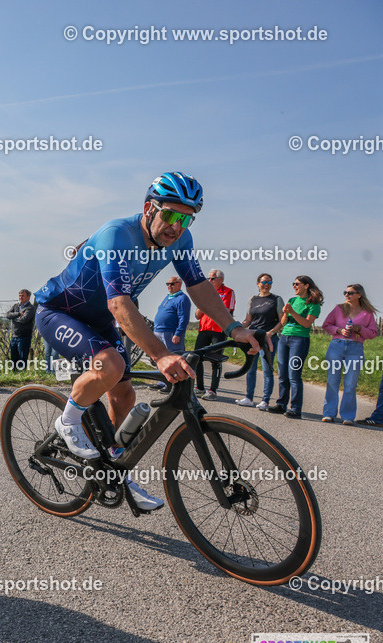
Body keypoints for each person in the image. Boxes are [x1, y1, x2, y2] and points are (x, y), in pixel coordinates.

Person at [35, 172, 263, 512]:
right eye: (169, 215)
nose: (176, 226)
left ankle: (115, 468)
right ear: (148, 209)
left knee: (125, 393)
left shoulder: (180, 240)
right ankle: (67, 421)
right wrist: (160, 355)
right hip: (59, 312)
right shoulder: (117, 234)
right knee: (110, 364)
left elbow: (199, 286)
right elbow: (119, 303)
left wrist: (233, 328)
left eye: (186, 219)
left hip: (99, 320)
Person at [321, 284, 378, 424]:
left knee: (350, 384)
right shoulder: (338, 309)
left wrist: (359, 329)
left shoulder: (367, 313)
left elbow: (373, 333)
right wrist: (339, 331)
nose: (347, 295)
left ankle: (347, 416)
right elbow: (326, 325)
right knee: (332, 381)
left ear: (359, 295)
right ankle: (329, 413)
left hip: (355, 348)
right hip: (336, 347)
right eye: (345, 292)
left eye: (350, 293)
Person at [268, 275, 323, 419]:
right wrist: (286, 314)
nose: (294, 286)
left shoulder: (313, 304)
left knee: (294, 375)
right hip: (284, 337)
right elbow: (284, 322)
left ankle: (296, 408)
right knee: (282, 374)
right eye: (293, 284)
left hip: (299, 340)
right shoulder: (292, 300)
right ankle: (281, 404)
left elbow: (306, 324)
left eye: (297, 284)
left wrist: (292, 312)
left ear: (306, 286)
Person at [236, 274, 284, 409]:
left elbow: (282, 321)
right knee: (251, 369)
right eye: (264, 282)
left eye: (269, 282)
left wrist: (271, 333)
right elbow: (248, 320)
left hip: (268, 338)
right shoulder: (253, 299)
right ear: (258, 283)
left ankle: (265, 400)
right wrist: (238, 327)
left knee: (267, 370)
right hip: (253, 337)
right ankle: (249, 398)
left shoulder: (276, 299)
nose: (267, 284)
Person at [193, 269, 235, 400]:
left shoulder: (228, 292)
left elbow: (225, 310)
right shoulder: (204, 293)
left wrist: (210, 303)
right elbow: (197, 315)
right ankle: (199, 387)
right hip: (204, 329)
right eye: (208, 278)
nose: (209, 281)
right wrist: (204, 300)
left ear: (220, 280)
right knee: (196, 357)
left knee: (215, 360)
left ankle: (213, 390)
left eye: (212, 278)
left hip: (219, 330)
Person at [152, 276, 190, 392]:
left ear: (179, 284)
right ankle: (161, 381)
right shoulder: (168, 297)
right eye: (167, 283)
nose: (169, 286)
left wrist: (178, 333)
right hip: (159, 331)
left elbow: (183, 318)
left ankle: (172, 385)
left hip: (171, 332)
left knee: (172, 358)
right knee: (161, 357)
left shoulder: (182, 299)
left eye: (172, 284)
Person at [5, 289, 36, 370]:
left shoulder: (30, 308)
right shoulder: (16, 306)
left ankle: (22, 373)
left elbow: (24, 319)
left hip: (24, 336)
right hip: (14, 336)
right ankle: (14, 372)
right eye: (19, 296)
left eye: (23, 296)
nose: (20, 297)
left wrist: (13, 318)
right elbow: (7, 315)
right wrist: (18, 314)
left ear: (28, 297)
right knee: (14, 356)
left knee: (22, 356)